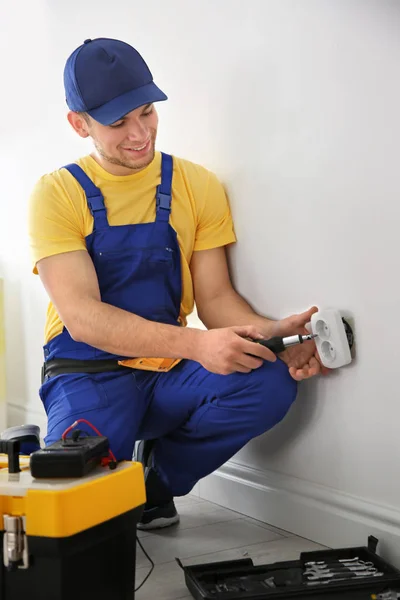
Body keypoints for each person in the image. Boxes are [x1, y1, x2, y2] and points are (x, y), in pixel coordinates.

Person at [28, 37, 325, 530]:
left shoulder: (196, 185)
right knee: (74, 501)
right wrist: (196, 345)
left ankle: (154, 485)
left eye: (146, 112)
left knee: (267, 382)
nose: (139, 133)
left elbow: (215, 299)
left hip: (168, 368)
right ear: (79, 124)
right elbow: (83, 319)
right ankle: (110, 487)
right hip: (87, 374)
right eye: (118, 122)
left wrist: (274, 336)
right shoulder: (56, 194)